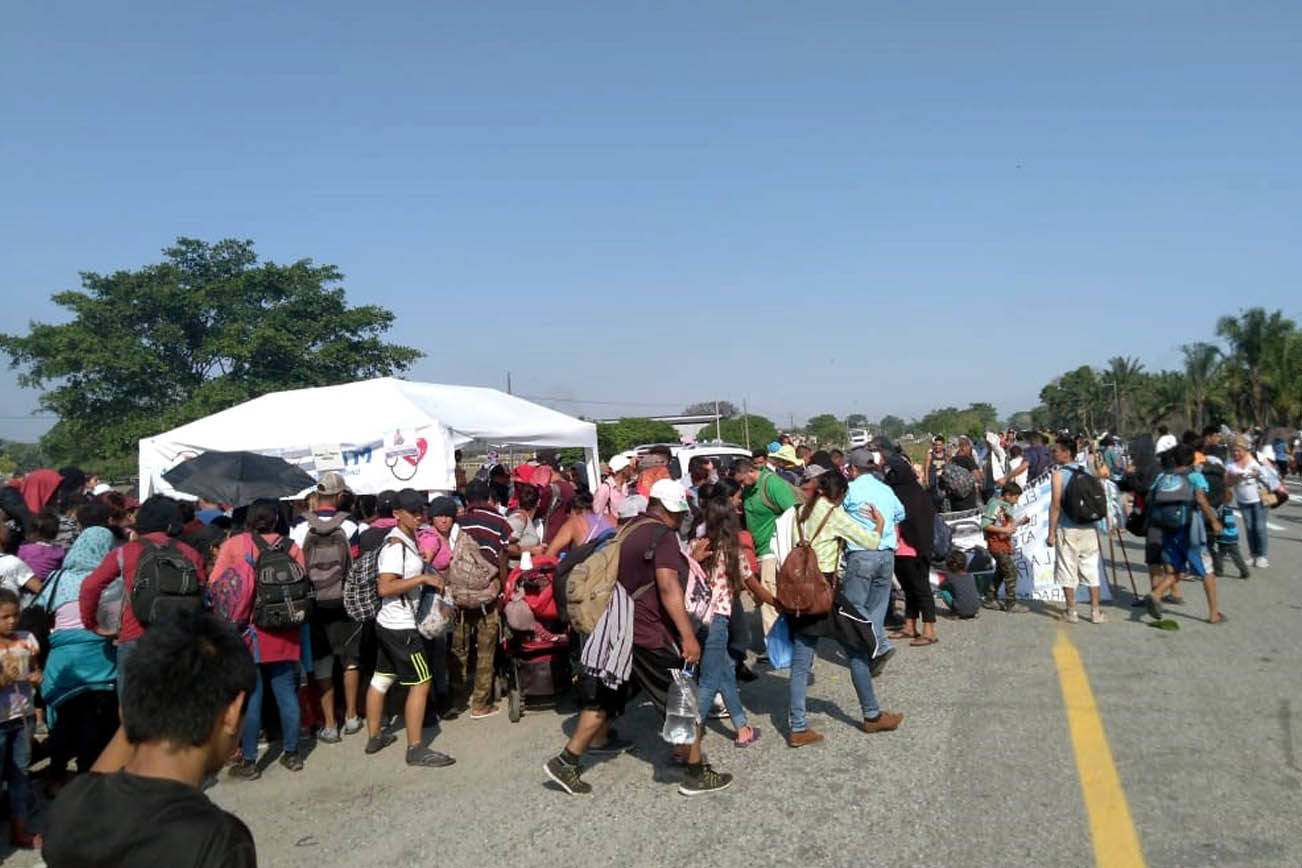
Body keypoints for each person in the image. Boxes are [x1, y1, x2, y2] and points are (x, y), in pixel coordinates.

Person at [544, 479, 729, 797]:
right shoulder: (662, 535)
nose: (681, 518)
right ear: (666, 508)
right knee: (681, 698)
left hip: (620, 630)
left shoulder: (629, 528)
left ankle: (566, 762)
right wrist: (688, 636)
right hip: (648, 632)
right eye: (679, 512)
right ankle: (697, 773)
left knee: (605, 699)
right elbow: (668, 586)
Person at [41, 610, 258, 868]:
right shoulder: (219, 843)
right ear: (232, 713)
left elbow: (93, 786)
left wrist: (141, 706)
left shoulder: (70, 806)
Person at [783, 471, 901, 747]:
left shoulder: (798, 513)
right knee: (857, 649)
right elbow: (870, 542)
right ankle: (871, 714)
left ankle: (798, 726)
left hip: (801, 593)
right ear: (840, 494)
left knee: (801, 662)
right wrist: (880, 524)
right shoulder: (834, 515)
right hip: (825, 591)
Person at [208, 499, 309, 779]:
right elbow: (303, 583)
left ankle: (250, 760)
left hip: (248, 631)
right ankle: (292, 753)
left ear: (250, 519)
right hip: (285, 630)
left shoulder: (234, 545)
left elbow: (215, 584)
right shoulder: (291, 546)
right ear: (276, 519)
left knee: (252, 696)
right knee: (286, 693)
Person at [79, 496, 208, 694]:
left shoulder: (125, 552)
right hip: (179, 639)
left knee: (132, 707)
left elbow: (90, 586)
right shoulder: (191, 554)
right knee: (176, 706)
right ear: (171, 524)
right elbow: (201, 593)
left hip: (135, 636)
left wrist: (92, 624)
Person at [364, 489, 454, 767]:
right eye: (412, 512)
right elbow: (385, 587)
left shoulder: (407, 539)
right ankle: (415, 748)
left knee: (381, 679)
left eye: (420, 511)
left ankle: (375, 736)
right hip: (401, 627)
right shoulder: (395, 547)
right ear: (396, 514)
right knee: (422, 681)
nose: (418, 516)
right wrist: (423, 579)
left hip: (388, 623)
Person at [31, 527, 119, 791]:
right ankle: (88, 780)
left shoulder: (56, 578)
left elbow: (40, 610)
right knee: (97, 724)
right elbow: (114, 624)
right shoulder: (111, 582)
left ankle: (56, 777)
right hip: (101, 661)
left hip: (63, 663)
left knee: (65, 721)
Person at [290, 472, 363, 745]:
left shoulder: (298, 525)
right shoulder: (351, 524)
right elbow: (355, 562)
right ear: (340, 495)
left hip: (313, 602)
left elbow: (296, 565)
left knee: (322, 662)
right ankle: (352, 716)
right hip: (343, 601)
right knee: (350, 658)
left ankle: (330, 725)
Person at [691, 495, 762, 746]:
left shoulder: (697, 545)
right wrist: (772, 600)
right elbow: (750, 582)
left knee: (725, 672)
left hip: (696, 618)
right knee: (709, 680)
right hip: (718, 619)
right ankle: (687, 740)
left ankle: (742, 727)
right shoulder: (732, 550)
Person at [450, 480, 512, 720]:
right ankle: (480, 704)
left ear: (466, 500)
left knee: (459, 649)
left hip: (460, 596)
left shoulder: (458, 522)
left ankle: (457, 700)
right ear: (488, 498)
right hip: (488, 593)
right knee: (486, 651)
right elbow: (503, 558)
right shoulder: (501, 523)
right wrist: (502, 588)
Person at [1142, 444, 1224, 623]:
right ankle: (1214, 614)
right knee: (1207, 570)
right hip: (1189, 528)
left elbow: (1150, 497)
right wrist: (1214, 521)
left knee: (1177, 568)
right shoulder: (1194, 476)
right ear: (1192, 459)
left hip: (1166, 528)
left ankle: (1156, 593)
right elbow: (1201, 499)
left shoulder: (1163, 476)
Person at [842, 448, 907, 659]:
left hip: (861, 552)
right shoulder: (885, 489)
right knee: (878, 605)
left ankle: (877, 644)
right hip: (886, 553)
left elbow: (837, 517)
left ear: (853, 468)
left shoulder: (849, 490)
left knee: (853, 604)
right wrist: (883, 522)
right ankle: (876, 646)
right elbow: (901, 513)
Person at [735, 457, 802, 639]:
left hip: (772, 551)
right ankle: (783, 640)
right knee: (770, 598)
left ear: (751, 471)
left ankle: (775, 643)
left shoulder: (772, 484)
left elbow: (794, 513)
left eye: (742, 480)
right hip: (759, 551)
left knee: (769, 600)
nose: (742, 485)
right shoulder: (748, 489)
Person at [1047, 437, 1104, 625]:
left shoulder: (1058, 475)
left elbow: (1055, 505)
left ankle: (1071, 611)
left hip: (1068, 528)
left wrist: (1051, 532)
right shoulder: (1087, 471)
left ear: (1066, 453)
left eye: (1056, 451)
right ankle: (1096, 612)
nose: (1053, 454)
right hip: (1090, 528)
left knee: (1067, 568)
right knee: (1091, 569)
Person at [0, 588, 41, 849]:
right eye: (5, 617)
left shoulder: (27, 639)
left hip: (23, 718)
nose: (12, 621)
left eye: (15, 615)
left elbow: (36, 668)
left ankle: (20, 832)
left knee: (21, 777)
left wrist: (37, 677)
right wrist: (4, 678)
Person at [883, 455, 938, 645]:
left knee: (921, 589)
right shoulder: (910, 492)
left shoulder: (910, 494)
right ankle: (910, 626)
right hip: (902, 548)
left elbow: (916, 523)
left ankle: (929, 630)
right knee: (909, 590)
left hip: (914, 549)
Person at [981, 482, 1030, 613]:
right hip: (997, 545)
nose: (1016, 501)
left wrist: (1018, 523)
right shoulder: (995, 505)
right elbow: (985, 524)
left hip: (1004, 543)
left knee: (1001, 572)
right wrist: (1004, 529)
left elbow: (1004, 524)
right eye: (1015, 498)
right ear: (1007, 495)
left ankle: (990, 598)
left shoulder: (1006, 506)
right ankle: (1010, 603)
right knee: (1011, 572)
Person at [1227, 435, 1270, 568]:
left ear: (1245, 449)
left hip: (1261, 496)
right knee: (1250, 528)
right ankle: (1253, 555)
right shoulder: (1230, 463)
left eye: (1238, 450)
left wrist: (1258, 475)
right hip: (1243, 499)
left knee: (1259, 527)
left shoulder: (1258, 457)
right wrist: (1236, 478)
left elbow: (1272, 475)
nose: (1236, 453)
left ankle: (1262, 556)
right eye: (1233, 451)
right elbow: (1227, 482)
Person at [541, 489, 613, 559]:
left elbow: (549, 555)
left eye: (568, 517)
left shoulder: (573, 523)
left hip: (592, 565)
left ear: (574, 511)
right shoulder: (611, 518)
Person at [18, 511, 66, 583]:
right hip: (50, 585)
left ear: (34, 532)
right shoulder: (60, 552)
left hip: (29, 585)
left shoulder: (24, 549)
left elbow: (19, 568)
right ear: (55, 533)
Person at [506, 483, 543, 568]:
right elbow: (504, 547)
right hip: (512, 571)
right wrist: (531, 550)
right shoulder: (519, 519)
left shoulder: (526, 519)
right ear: (538, 502)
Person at [593, 454, 633, 526]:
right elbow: (597, 513)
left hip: (625, 526)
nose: (631, 470)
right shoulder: (605, 488)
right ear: (623, 470)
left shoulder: (625, 486)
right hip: (611, 528)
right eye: (629, 467)